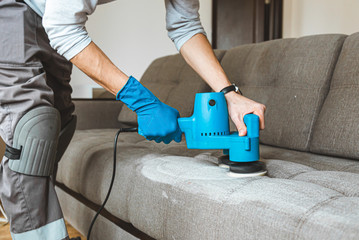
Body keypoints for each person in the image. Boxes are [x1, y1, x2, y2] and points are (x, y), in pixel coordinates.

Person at [0, 0, 266, 239]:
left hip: (52, 16)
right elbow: (63, 24)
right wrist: (141, 100)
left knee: (57, 126)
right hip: (14, 11)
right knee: (33, 135)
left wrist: (229, 93)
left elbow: (185, 25)